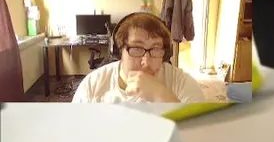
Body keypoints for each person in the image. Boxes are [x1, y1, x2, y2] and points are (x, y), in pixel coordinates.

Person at [72, 12, 206, 104]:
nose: (146, 62)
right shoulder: (93, 85)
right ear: (119, 51)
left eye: (155, 49)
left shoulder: (182, 83)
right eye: (137, 48)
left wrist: (162, 96)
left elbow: (200, 134)